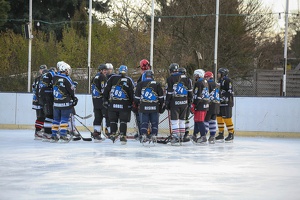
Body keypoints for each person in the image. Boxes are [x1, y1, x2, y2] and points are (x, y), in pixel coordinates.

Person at [103, 65, 135, 144]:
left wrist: (105, 100)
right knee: (123, 121)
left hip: (113, 103)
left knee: (113, 120)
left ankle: (113, 134)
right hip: (124, 104)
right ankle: (122, 136)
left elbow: (106, 90)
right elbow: (132, 93)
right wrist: (132, 103)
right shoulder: (128, 80)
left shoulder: (112, 78)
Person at [165, 63, 193, 144]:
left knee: (174, 120)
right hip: (184, 102)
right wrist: (190, 101)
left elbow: (169, 92)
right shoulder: (187, 78)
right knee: (182, 120)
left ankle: (176, 136)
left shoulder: (170, 78)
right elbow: (190, 92)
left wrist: (167, 102)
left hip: (175, 102)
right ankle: (181, 136)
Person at [50, 62, 78, 142]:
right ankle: (63, 135)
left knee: (56, 120)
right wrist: (74, 97)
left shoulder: (54, 77)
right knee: (64, 120)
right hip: (65, 103)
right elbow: (71, 90)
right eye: (67, 70)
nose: (68, 71)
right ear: (64, 70)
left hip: (56, 103)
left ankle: (53, 135)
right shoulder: (66, 78)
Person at [134, 70, 164, 143]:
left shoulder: (140, 84)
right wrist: (160, 106)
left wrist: (137, 104)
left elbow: (136, 98)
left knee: (144, 122)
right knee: (154, 122)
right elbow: (161, 98)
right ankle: (154, 135)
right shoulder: (157, 84)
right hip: (155, 107)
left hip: (144, 107)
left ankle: (144, 135)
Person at [133, 59, 151, 140]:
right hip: (149, 100)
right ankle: (145, 132)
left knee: (141, 117)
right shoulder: (150, 74)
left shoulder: (144, 75)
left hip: (142, 100)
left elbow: (140, 87)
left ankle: (143, 133)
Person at [215, 68, 235, 142]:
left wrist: (222, 94)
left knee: (227, 118)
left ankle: (231, 133)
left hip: (227, 103)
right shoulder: (219, 81)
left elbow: (230, 92)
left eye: (219, 73)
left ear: (223, 73)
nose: (218, 74)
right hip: (220, 103)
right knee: (219, 117)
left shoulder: (228, 80)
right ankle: (221, 133)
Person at [190, 69, 210, 144]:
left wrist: (194, 104)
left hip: (200, 104)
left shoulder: (198, 83)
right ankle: (195, 135)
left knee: (200, 121)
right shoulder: (205, 82)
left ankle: (203, 136)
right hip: (205, 104)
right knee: (197, 120)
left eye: (195, 75)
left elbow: (197, 95)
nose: (194, 76)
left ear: (198, 75)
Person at [39, 66, 57, 141]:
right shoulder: (51, 74)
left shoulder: (43, 77)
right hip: (48, 97)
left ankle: (47, 133)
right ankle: (47, 133)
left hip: (43, 97)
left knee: (48, 115)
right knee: (50, 116)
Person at [91, 64, 108, 142]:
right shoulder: (102, 77)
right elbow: (103, 89)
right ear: (101, 70)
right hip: (101, 100)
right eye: (104, 70)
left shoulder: (94, 77)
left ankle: (96, 133)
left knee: (98, 117)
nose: (106, 71)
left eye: (106, 70)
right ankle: (110, 133)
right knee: (107, 116)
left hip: (95, 100)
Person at [203, 71, 220, 144]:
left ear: (208, 77)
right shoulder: (217, 84)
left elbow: (205, 94)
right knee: (213, 121)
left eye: (206, 77)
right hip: (217, 104)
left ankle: (203, 136)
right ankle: (212, 136)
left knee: (206, 120)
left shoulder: (207, 84)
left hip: (210, 104)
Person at [32, 64, 47, 140]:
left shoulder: (43, 78)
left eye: (44, 69)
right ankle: (38, 131)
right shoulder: (38, 79)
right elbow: (36, 90)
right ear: (39, 70)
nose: (43, 71)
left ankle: (42, 130)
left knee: (44, 116)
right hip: (38, 101)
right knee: (40, 116)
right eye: (41, 70)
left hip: (41, 101)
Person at [178, 67, 193, 142]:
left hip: (184, 101)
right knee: (185, 118)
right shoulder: (188, 79)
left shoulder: (185, 80)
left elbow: (190, 91)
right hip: (185, 101)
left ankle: (185, 133)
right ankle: (184, 133)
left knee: (184, 118)